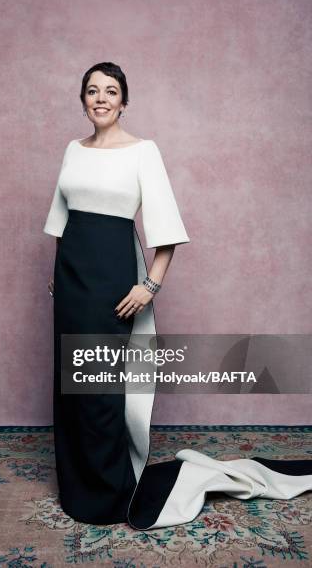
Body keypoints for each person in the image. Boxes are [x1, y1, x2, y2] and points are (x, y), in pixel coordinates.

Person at [43, 62, 312, 530]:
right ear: (83, 100)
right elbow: (61, 224)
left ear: (124, 102)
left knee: (101, 388)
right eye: (92, 91)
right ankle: (77, 487)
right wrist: (58, 277)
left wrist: (149, 286)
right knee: (70, 387)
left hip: (113, 282)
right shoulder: (72, 150)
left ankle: (109, 493)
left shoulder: (143, 151)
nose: (101, 98)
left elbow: (166, 232)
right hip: (70, 283)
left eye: (111, 91)